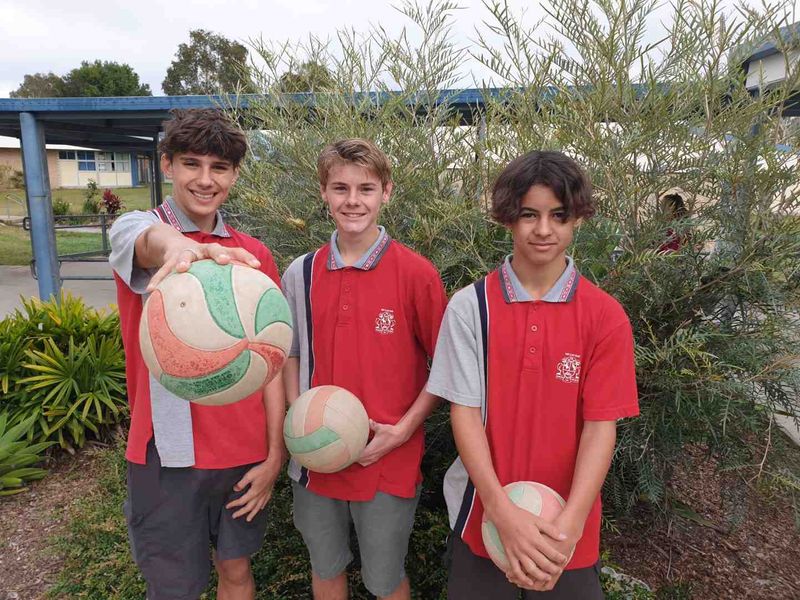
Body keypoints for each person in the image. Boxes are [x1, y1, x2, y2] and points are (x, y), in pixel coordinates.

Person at [427, 150, 640, 599]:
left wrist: (570, 525)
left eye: (558, 215)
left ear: (577, 219)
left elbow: (601, 429)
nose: (544, 230)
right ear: (508, 218)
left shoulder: (605, 317)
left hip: (567, 530)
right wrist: (502, 512)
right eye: (529, 214)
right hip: (482, 518)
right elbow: (464, 416)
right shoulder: (471, 308)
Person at [108, 108, 286, 600]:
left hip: (245, 453)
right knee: (175, 589)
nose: (205, 180)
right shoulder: (139, 231)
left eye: (220, 168)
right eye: (191, 164)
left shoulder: (252, 254)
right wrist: (181, 250)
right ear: (167, 165)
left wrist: (274, 455)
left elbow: (270, 363)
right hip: (168, 454)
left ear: (234, 175)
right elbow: (147, 241)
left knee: (236, 573)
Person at [281, 138, 448, 600]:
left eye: (366, 189)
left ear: (386, 192)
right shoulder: (300, 272)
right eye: (340, 188)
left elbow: (446, 369)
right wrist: (301, 416)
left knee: (385, 579)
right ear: (323, 193)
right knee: (325, 567)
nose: (352, 201)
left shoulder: (417, 274)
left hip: (386, 460)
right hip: (315, 462)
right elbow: (288, 353)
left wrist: (404, 429)